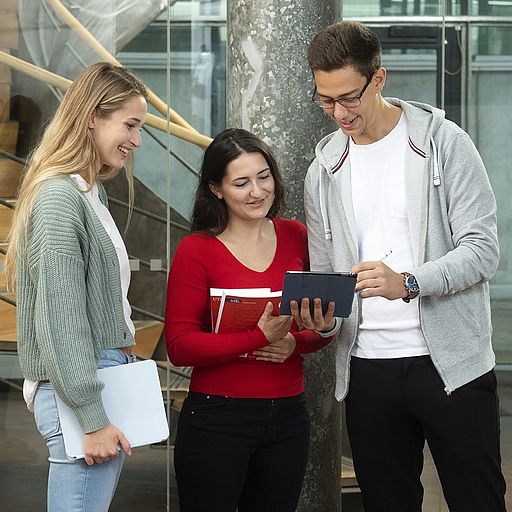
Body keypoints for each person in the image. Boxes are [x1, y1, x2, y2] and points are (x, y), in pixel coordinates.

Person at [302, 20, 506, 512]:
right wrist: (325, 317)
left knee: (478, 501)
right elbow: (328, 271)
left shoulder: (444, 143)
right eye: (326, 100)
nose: (339, 113)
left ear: (379, 78)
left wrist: (409, 282)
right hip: (367, 367)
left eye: (349, 97)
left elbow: (483, 250)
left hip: (451, 365)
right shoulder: (323, 168)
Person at [165, 128, 338, 512]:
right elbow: (179, 346)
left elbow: (321, 325)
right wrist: (256, 336)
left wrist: (300, 340)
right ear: (216, 188)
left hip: (288, 416)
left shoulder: (296, 237)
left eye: (264, 177)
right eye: (241, 182)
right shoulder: (197, 250)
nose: (257, 191)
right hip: (215, 418)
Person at [5, 62, 148, 511]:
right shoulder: (58, 198)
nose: (137, 140)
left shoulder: (89, 192)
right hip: (82, 386)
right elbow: (61, 319)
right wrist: (90, 416)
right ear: (91, 116)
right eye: (130, 125)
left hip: (98, 377)